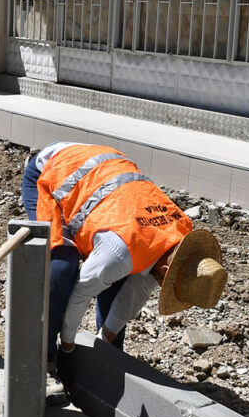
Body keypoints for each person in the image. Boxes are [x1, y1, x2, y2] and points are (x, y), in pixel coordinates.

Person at [23, 142, 227, 393]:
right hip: (54, 170)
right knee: (62, 269)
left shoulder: (178, 246)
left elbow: (133, 294)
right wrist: (68, 347)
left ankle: (108, 363)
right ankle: (44, 362)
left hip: (109, 184)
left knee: (119, 281)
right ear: (166, 272)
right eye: (168, 286)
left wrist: (104, 342)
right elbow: (79, 295)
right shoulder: (119, 253)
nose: (163, 288)